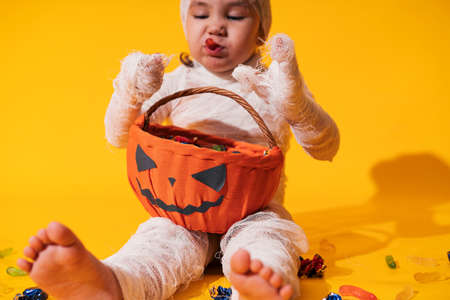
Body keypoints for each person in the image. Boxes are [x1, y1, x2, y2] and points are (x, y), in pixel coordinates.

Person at [17, 0, 340, 299]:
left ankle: (261, 286)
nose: (215, 26)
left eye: (235, 15)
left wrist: (296, 106)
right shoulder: (177, 82)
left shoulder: (276, 83)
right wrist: (132, 91)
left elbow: (326, 147)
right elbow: (117, 135)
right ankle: (113, 282)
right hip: (184, 208)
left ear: (261, 29)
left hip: (256, 210)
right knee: (158, 243)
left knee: (267, 242)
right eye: (200, 14)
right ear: (185, 22)